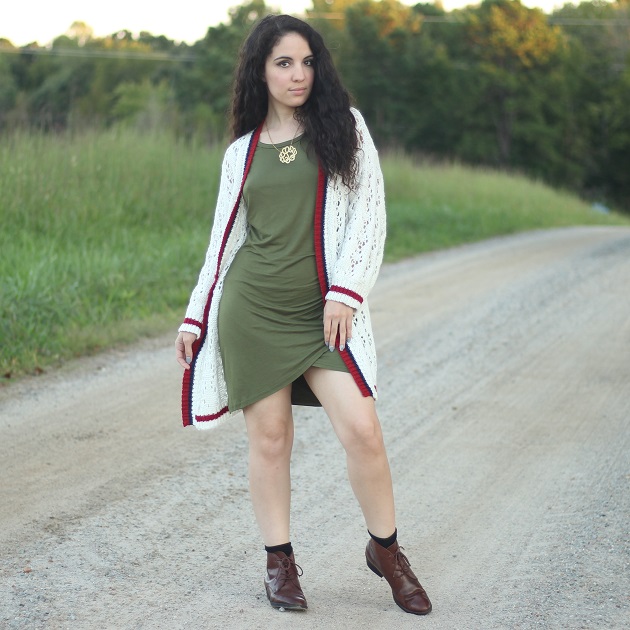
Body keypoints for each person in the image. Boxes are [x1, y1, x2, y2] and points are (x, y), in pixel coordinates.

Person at [174, 14, 431, 616]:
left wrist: (346, 291)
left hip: (325, 316)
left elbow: (370, 212)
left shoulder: (345, 128)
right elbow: (223, 240)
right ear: (260, 72)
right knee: (270, 439)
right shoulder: (240, 154)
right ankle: (279, 563)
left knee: (363, 431)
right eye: (284, 63)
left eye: (307, 62)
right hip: (254, 309)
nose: (298, 75)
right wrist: (195, 318)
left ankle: (387, 551)